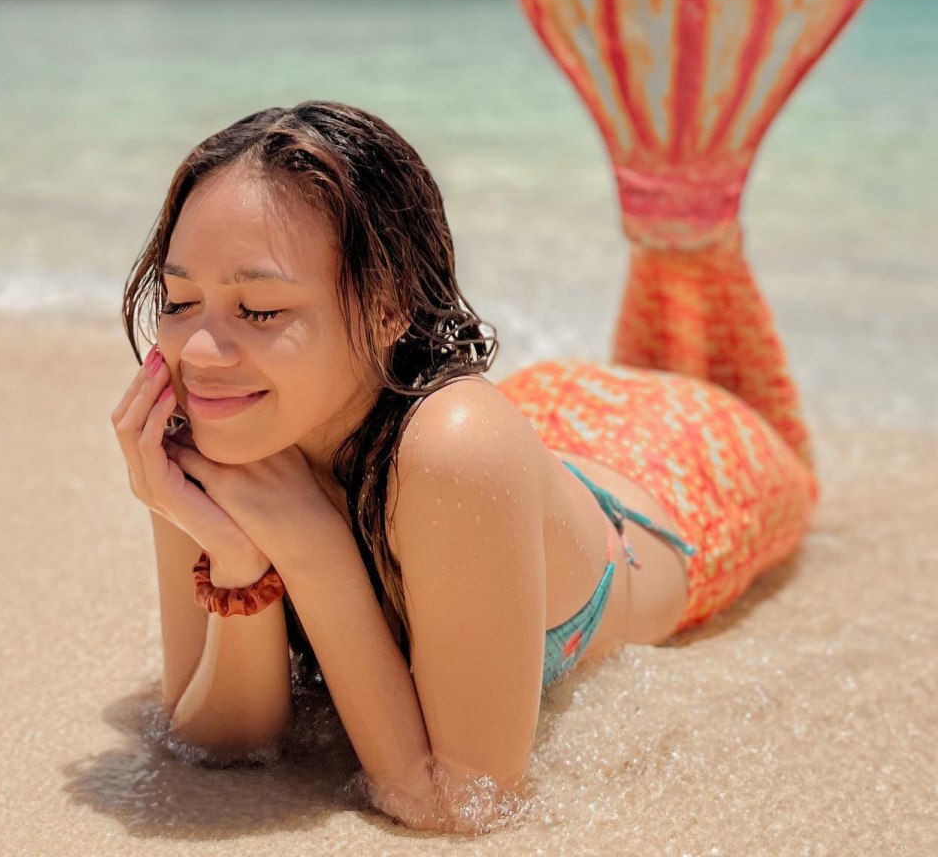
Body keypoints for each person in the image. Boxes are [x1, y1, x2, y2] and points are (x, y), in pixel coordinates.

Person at [111, 101, 815, 831]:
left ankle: (692, 223)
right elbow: (218, 743)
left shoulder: (458, 451)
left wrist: (313, 549)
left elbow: (458, 801)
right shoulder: (213, 427)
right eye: (182, 298)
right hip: (532, 431)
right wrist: (237, 556)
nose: (197, 354)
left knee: (777, 434)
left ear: (388, 307)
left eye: (259, 310)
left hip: (684, 472)